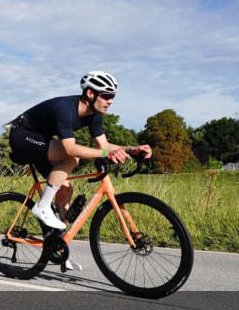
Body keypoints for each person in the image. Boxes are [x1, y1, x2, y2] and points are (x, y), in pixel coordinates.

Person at [8, 71, 151, 270]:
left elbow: (104, 144)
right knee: (72, 157)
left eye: (113, 96)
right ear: (91, 93)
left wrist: (130, 149)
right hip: (23, 135)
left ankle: (57, 246)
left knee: (65, 190)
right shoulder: (65, 108)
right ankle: (41, 207)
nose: (110, 101)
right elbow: (69, 148)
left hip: (44, 140)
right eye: (107, 95)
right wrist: (103, 153)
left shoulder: (95, 115)